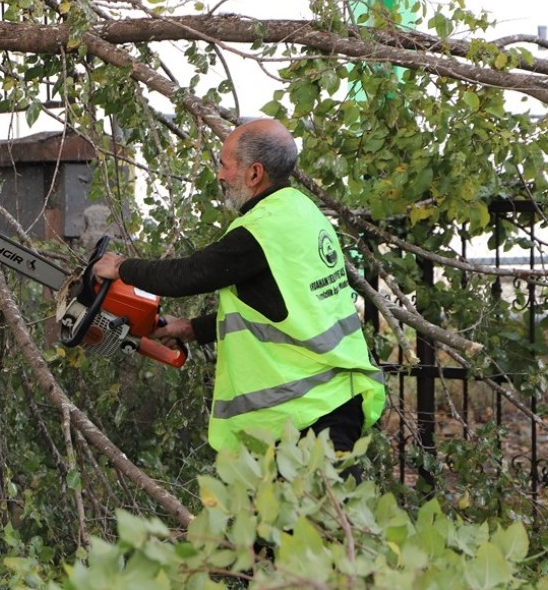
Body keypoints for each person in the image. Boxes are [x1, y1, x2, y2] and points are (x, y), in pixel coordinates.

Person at [92, 118, 386, 469]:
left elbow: (189, 274)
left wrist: (121, 268)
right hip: (328, 406)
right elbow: (278, 309)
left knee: (308, 525)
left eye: (224, 164)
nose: (219, 175)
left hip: (309, 418)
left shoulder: (262, 229)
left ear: (254, 173)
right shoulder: (302, 212)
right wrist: (191, 329)